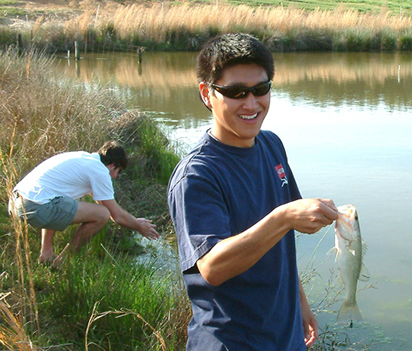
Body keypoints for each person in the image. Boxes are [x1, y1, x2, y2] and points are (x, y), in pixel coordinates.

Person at [167, 33, 339, 350]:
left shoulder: (271, 145)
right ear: (207, 94)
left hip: (284, 336)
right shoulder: (197, 175)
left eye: (260, 90)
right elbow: (212, 268)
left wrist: (300, 303)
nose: (251, 103)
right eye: (235, 92)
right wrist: (284, 216)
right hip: (231, 342)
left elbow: (280, 243)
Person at [10, 141, 160, 267]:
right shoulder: (100, 171)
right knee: (102, 215)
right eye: (118, 171)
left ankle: (46, 253)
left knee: (60, 200)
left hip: (18, 202)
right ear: (112, 165)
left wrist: (134, 221)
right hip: (35, 207)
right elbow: (115, 215)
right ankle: (63, 262)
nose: (115, 176)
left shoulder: (83, 158)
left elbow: (103, 203)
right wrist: (139, 226)